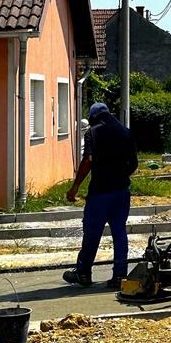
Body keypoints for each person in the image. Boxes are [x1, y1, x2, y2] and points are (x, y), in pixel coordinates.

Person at [63, 103, 138, 288]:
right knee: (119, 232)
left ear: (93, 116)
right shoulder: (125, 132)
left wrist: (75, 187)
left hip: (100, 193)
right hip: (121, 192)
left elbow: (88, 160)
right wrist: (120, 176)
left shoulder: (93, 132)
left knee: (92, 233)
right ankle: (120, 275)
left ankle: (83, 273)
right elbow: (134, 163)